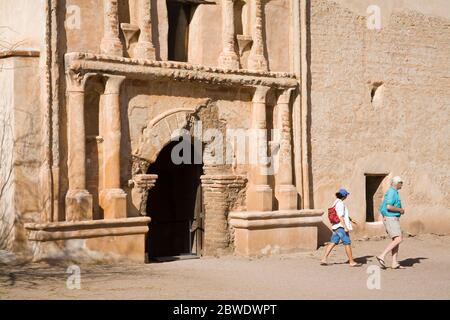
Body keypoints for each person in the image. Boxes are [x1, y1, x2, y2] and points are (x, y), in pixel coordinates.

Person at [321, 188, 361, 267]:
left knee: (333, 242)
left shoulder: (335, 202)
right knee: (347, 243)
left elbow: (341, 214)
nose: (347, 196)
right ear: (344, 195)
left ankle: (324, 259)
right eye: (346, 195)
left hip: (336, 226)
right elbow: (340, 216)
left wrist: (351, 219)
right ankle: (351, 261)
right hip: (340, 227)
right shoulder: (340, 203)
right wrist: (345, 227)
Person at [376, 176, 406, 269]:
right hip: (391, 218)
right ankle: (382, 255)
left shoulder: (392, 192)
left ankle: (394, 262)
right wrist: (400, 210)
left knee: (396, 240)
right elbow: (388, 206)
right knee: (399, 239)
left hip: (391, 218)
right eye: (401, 183)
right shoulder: (392, 192)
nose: (402, 184)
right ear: (397, 183)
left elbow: (382, 206)